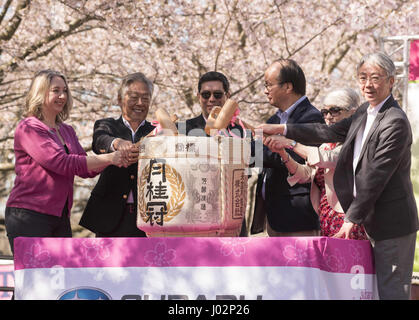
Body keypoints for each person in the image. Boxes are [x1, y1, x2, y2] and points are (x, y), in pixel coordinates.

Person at [258, 52, 418, 300]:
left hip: (390, 224)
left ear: (391, 81)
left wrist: (351, 218)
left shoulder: (395, 121)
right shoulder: (365, 112)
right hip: (364, 221)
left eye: (375, 78)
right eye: (363, 77)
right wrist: (281, 129)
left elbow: (376, 176)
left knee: (391, 292)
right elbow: (326, 131)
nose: (368, 84)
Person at [4, 70, 126, 253]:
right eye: (56, 90)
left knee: (61, 279)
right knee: (36, 279)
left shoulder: (67, 130)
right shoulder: (29, 127)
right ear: (40, 92)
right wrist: (110, 158)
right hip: (29, 214)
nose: (62, 96)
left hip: (60, 216)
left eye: (65, 91)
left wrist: (115, 153)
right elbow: (62, 163)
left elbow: (86, 170)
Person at [263, 88, 367, 239]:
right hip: (326, 218)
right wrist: (283, 153)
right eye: (324, 112)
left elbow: (328, 159)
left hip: (348, 221)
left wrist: (290, 142)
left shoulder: (358, 143)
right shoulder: (326, 144)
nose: (328, 117)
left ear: (353, 113)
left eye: (335, 111)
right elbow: (305, 174)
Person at [250, 59, 325, 237]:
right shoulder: (273, 120)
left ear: (288, 87)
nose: (265, 90)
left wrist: (246, 150)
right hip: (274, 216)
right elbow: (256, 153)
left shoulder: (311, 117)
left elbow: (289, 157)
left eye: (269, 84)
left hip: (298, 217)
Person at [80, 73, 155, 237]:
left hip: (149, 216)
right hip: (109, 214)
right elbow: (100, 140)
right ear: (120, 99)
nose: (140, 103)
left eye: (145, 98)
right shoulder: (106, 125)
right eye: (134, 97)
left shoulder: (157, 132)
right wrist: (116, 143)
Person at [177, 71, 244, 138]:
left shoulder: (242, 132)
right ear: (198, 96)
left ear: (227, 96)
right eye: (206, 94)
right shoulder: (181, 129)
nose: (211, 99)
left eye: (217, 94)